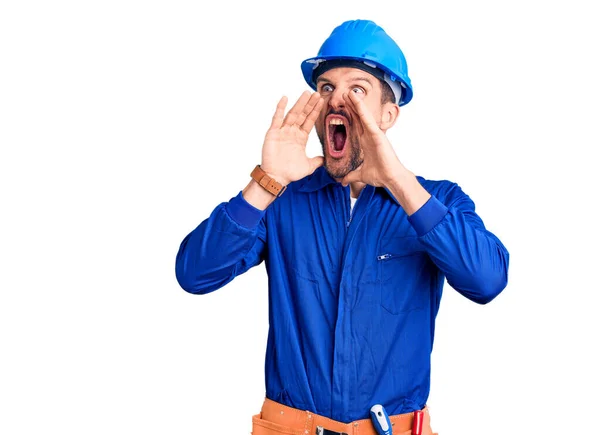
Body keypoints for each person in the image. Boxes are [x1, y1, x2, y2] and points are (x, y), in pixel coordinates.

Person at [175, 19, 509, 435]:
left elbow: (488, 280)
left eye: (357, 89)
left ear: (388, 115)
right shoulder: (283, 200)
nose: (337, 100)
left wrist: (399, 183)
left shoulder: (436, 201)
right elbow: (194, 274)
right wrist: (266, 181)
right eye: (327, 88)